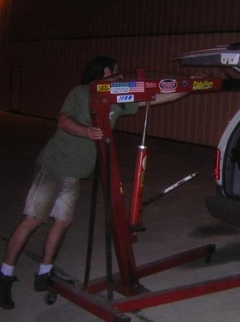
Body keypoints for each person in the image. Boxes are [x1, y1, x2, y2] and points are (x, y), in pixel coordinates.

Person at [0, 56, 186, 310]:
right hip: (53, 166)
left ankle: (44, 273)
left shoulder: (116, 98)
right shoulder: (81, 93)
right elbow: (63, 121)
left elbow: (150, 99)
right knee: (33, 219)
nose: (121, 76)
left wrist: (185, 89)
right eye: (118, 72)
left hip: (75, 173)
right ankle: (5, 276)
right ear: (107, 71)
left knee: (62, 222)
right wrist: (86, 131)